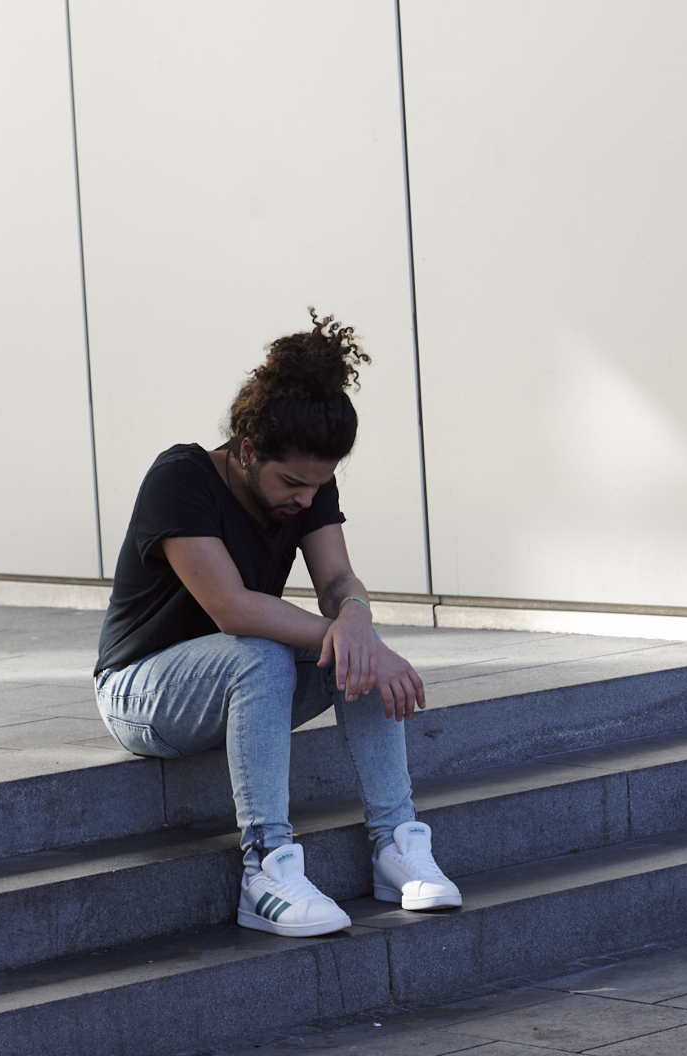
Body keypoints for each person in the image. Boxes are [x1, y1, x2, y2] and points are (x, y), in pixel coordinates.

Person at [91, 310, 459, 937]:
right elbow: (230, 608)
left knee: (356, 646)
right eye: (292, 483)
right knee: (263, 651)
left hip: (242, 685)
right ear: (248, 448)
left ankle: (397, 845)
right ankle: (266, 870)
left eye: (318, 486)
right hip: (142, 690)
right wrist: (345, 632)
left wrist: (357, 619)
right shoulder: (179, 479)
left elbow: (338, 583)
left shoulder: (308, 485)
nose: (305, 500)